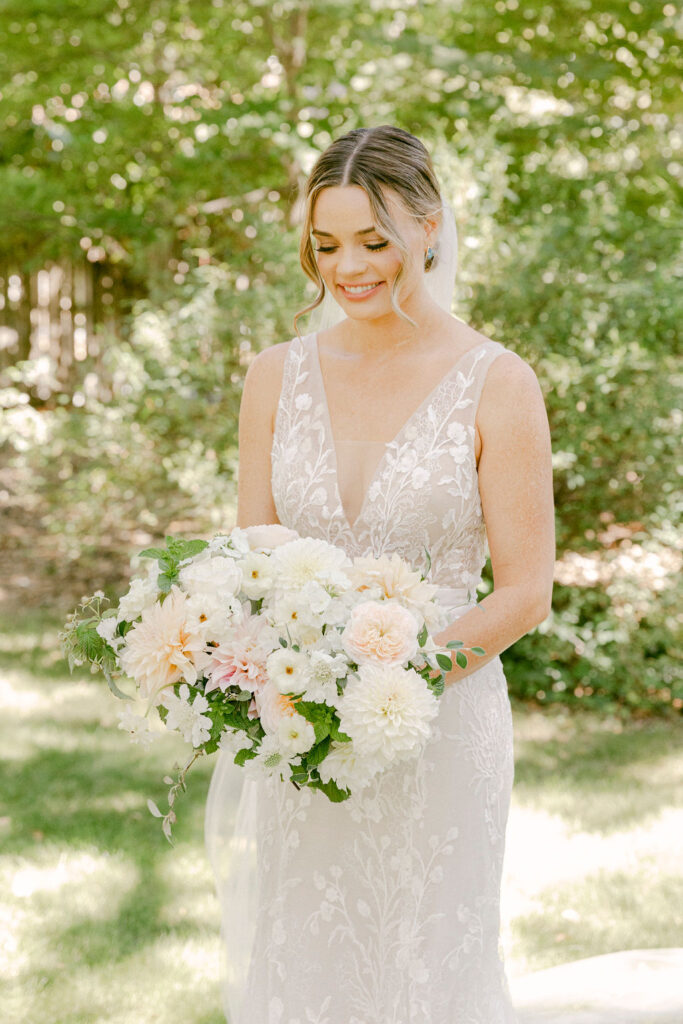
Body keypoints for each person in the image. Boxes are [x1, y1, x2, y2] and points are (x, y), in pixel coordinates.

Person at [205, 124, 555, 1024]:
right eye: (326, 245)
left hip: (441, 721)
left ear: (429, 229)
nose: (346, 267)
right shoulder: (273, 376)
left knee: (429, 957)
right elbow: (256, 547)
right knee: (307, 951)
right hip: (306, 726)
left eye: (374, 241)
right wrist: (316, 694)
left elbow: (524, 592)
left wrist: (391, 682)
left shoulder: (497, 382)